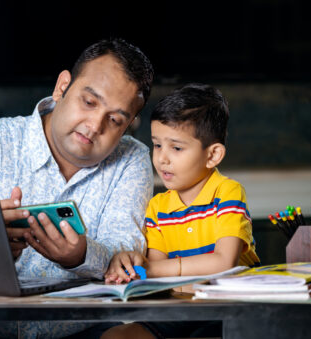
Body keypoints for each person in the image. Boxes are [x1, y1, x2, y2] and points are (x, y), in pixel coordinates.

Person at [0, 38, 154, 338]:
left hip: (87, 331)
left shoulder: (132, 160)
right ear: (62, 86)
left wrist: (81, 256)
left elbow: (125, 252)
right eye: (89, 102)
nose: (95, 125)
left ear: (128, 125)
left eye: (115, 120)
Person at [101, 83, 260, 339]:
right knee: (116, 336)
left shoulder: (228, 192)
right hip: (178, 310)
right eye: (157, 145)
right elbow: (160, 273)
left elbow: (223, 262)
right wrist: (137, 272)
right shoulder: (158, 207)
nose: (162, 158)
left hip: (228, 310)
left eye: (176, 148)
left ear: (212, 155)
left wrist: (149, 270)